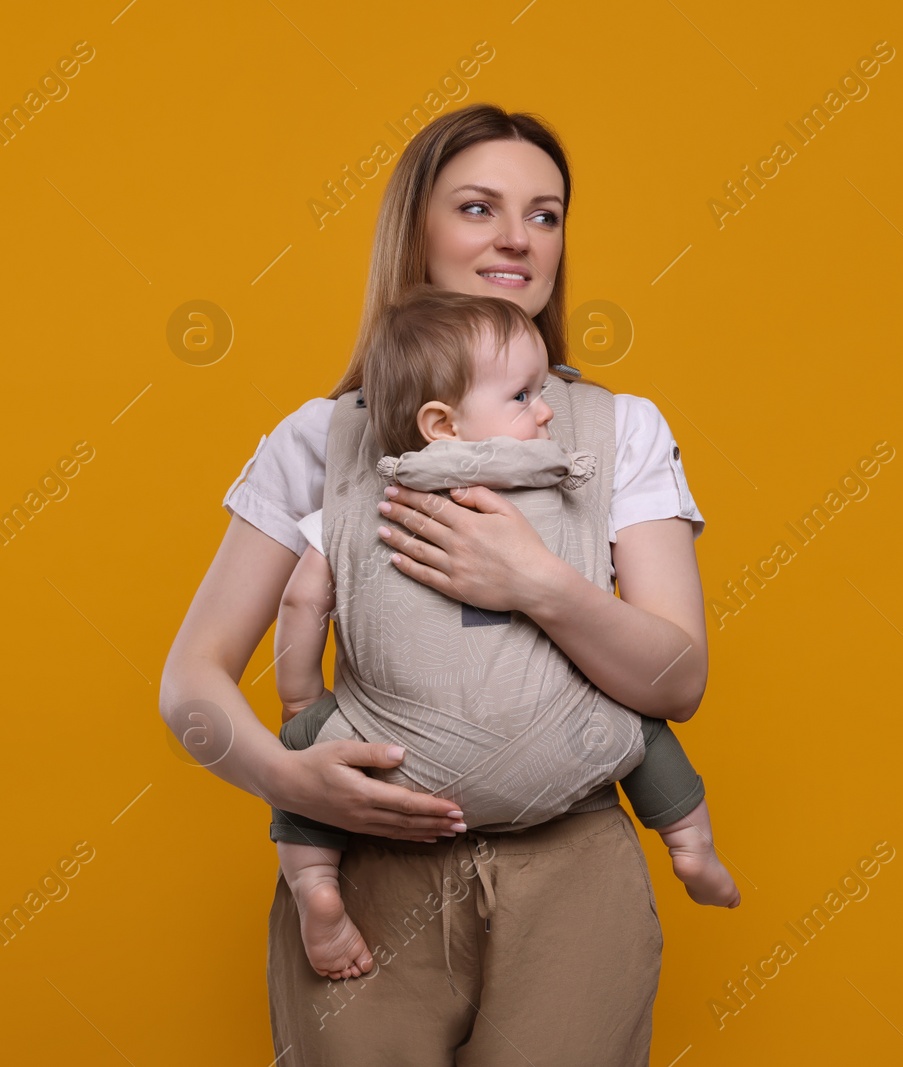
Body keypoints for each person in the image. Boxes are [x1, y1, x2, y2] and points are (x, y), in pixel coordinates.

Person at [160, 102, 711, 1065]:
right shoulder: (318, 441)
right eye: (478, 207)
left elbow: (677, 683)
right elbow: (190, 685)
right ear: (415, 227)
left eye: (545, 214)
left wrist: (540, 583)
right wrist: (289, 778)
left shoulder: (616, 431)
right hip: (367, 875)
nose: (517, 238)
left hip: (571, 868)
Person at [271, 284, 738, 982]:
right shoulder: (567, 481)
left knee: (300, 765)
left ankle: (317, 890)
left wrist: (303, 705)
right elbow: (665, 683)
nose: (548, 408)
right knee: (638, 731)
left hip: (398, 761)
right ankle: (691, 843)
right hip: (562, 744)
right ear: (442, 422)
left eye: (543, 388)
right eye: (523, 396)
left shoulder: (370, 497)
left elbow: (302, 601)